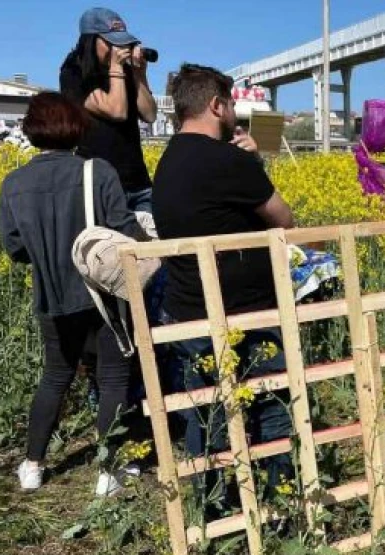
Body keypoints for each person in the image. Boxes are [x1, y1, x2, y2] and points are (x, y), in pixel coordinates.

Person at [152, 63, 296, 509]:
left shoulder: (167, 161)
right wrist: (251, 161)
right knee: (271, 404)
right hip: (246, 310)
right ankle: (281, 502)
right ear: (216, 104)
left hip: (188, 309)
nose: (234, 112)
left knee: (209, 409)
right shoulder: (230, 161)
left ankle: (215, 505)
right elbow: (284, 220)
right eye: (231, 103)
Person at [0, 92, 149, 496]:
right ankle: (109, 472)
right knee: (113, 376)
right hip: (101, 295)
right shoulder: (97, 172)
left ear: (32, 131)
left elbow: (14, 249)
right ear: (77, 128)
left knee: (55, 376)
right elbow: (124, 229)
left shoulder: (14, 183)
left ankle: (33, 466)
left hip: (51, 297)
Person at [59, 7, 157, 212]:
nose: (119, 48)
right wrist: (116, 68)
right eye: (112, 42)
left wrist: (139, 74)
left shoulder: (126, 70)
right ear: (91, 40)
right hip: (100, 185)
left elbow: (149, 115)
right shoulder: (74, 72)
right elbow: (117, 110)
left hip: (138, 182)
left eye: (123, 42)